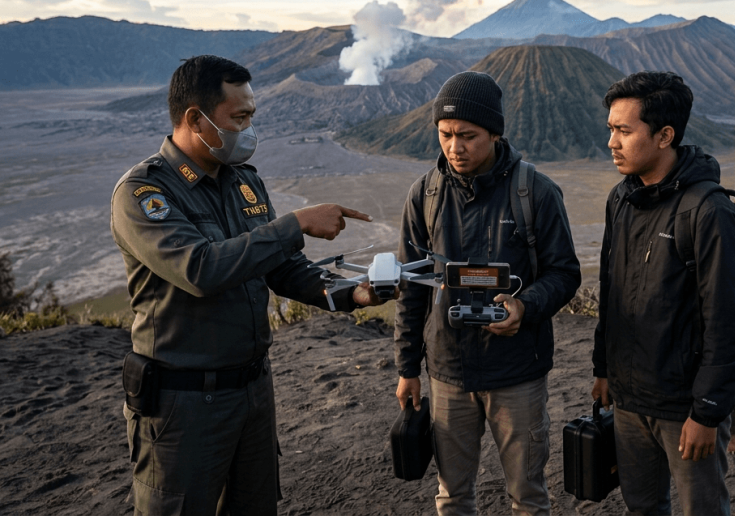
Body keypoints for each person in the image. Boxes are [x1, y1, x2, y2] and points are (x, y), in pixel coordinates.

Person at [110, 55, 378, 515]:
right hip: (183, 403)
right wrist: (295, 224)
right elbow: (201, 270)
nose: (250, 128)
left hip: (252, 392)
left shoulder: (243, 183)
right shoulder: (144, 193)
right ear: (196, 119)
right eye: (240, 117)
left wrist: (353, 294)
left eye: (251, 115)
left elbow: (281, 268)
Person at [394, 71, 581, 516]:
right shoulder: (424, 194)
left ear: (495, 133)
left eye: (467, 135)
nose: (454, 147)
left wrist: (524, 307)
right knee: (452, 496)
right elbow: (411, 288)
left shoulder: (535, 192)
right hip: (447, 374)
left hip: (517, 373)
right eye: (445, 134)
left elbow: (564, 272)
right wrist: (407, 367)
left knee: (528, 497)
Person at [591, 71, 735, 516]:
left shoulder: (708, 211)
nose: (612, 143)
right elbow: (611, 292)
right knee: (642, 508)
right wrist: (603, 369)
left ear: (664, 136)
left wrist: (708, 412)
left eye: (624, 131)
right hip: (628, 399)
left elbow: (728, 321)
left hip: (685, 408)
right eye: (611, 130)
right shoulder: (620, 199)